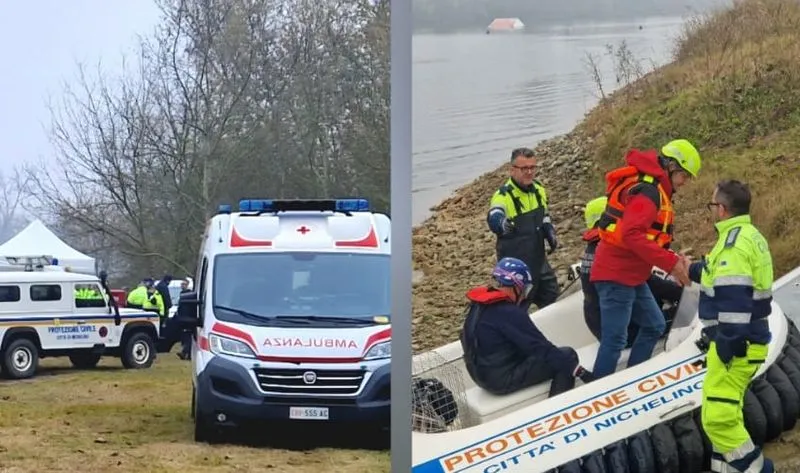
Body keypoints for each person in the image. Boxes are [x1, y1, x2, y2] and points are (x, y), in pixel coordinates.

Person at [590, 139, 700, 379]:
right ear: (671, 167)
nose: (685, 182)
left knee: (654, 324)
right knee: (615, 340)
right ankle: (599, 390)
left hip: (633, 275)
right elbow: (631, 235)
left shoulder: (653, 189)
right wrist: (671, 264)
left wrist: (673, 258)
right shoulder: (649, 193)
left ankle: (634, 377)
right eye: (684, 175)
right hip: (615, 275)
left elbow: (649, 240)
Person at [690, 180, 775, 473]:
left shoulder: (733, 246)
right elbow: (721, 276)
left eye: (712, 205)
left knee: (719, 419)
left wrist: (726, 346)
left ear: (722, 209)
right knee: (724, 410)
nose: (712, 210)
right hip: (746, 341)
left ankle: (758, 470)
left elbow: (735, 302)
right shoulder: (748, 236)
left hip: (737, 345)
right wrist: (692, 269)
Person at [460, 257, 595, 398]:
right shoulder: (508, 312)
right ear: (516, 286)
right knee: (567, 356)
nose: (524, 296)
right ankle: (557, 406)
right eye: (525, 289)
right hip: (500, 380)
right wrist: (580, 372)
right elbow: (541, 347)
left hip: (480, 376)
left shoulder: (478, 306)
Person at [580, 196, 684, 345]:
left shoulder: (592, 250)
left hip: (599, 326)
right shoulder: (615, 249)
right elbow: (648, 282)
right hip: (627, 331)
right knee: (683, 313)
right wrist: (683, 294)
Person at [487, 147, 560, 313]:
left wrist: (548, 229)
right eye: (524, 168)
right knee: (516, 311)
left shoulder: (538, 189)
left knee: (554, 300)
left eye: (532, 167)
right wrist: (500, 222)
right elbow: (494, 214)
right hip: (514, 268)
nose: (529, 172)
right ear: (512, 170)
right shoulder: (503, 195)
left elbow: (544, 214)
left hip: (539, 261)